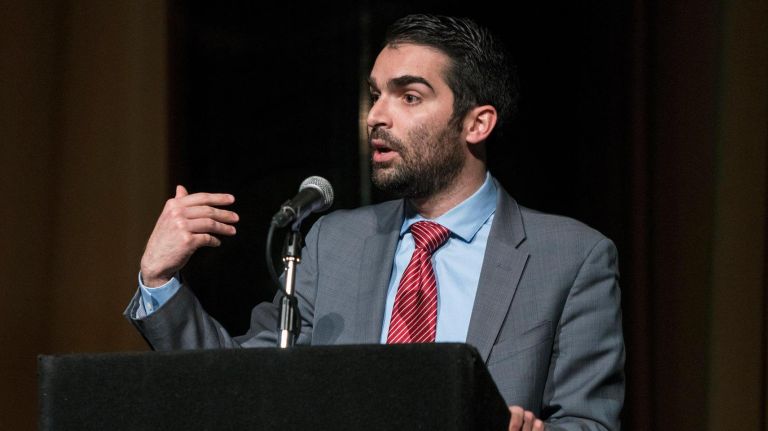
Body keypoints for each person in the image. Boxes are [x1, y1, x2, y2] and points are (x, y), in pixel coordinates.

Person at [125, 14, 625, 431]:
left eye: (409, 96)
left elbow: (590, 421)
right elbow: (245, 385)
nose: (376, 116)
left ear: (477, 123)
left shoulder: (572, 257)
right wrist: (160, 282)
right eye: (376, 93)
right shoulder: (332, 242)